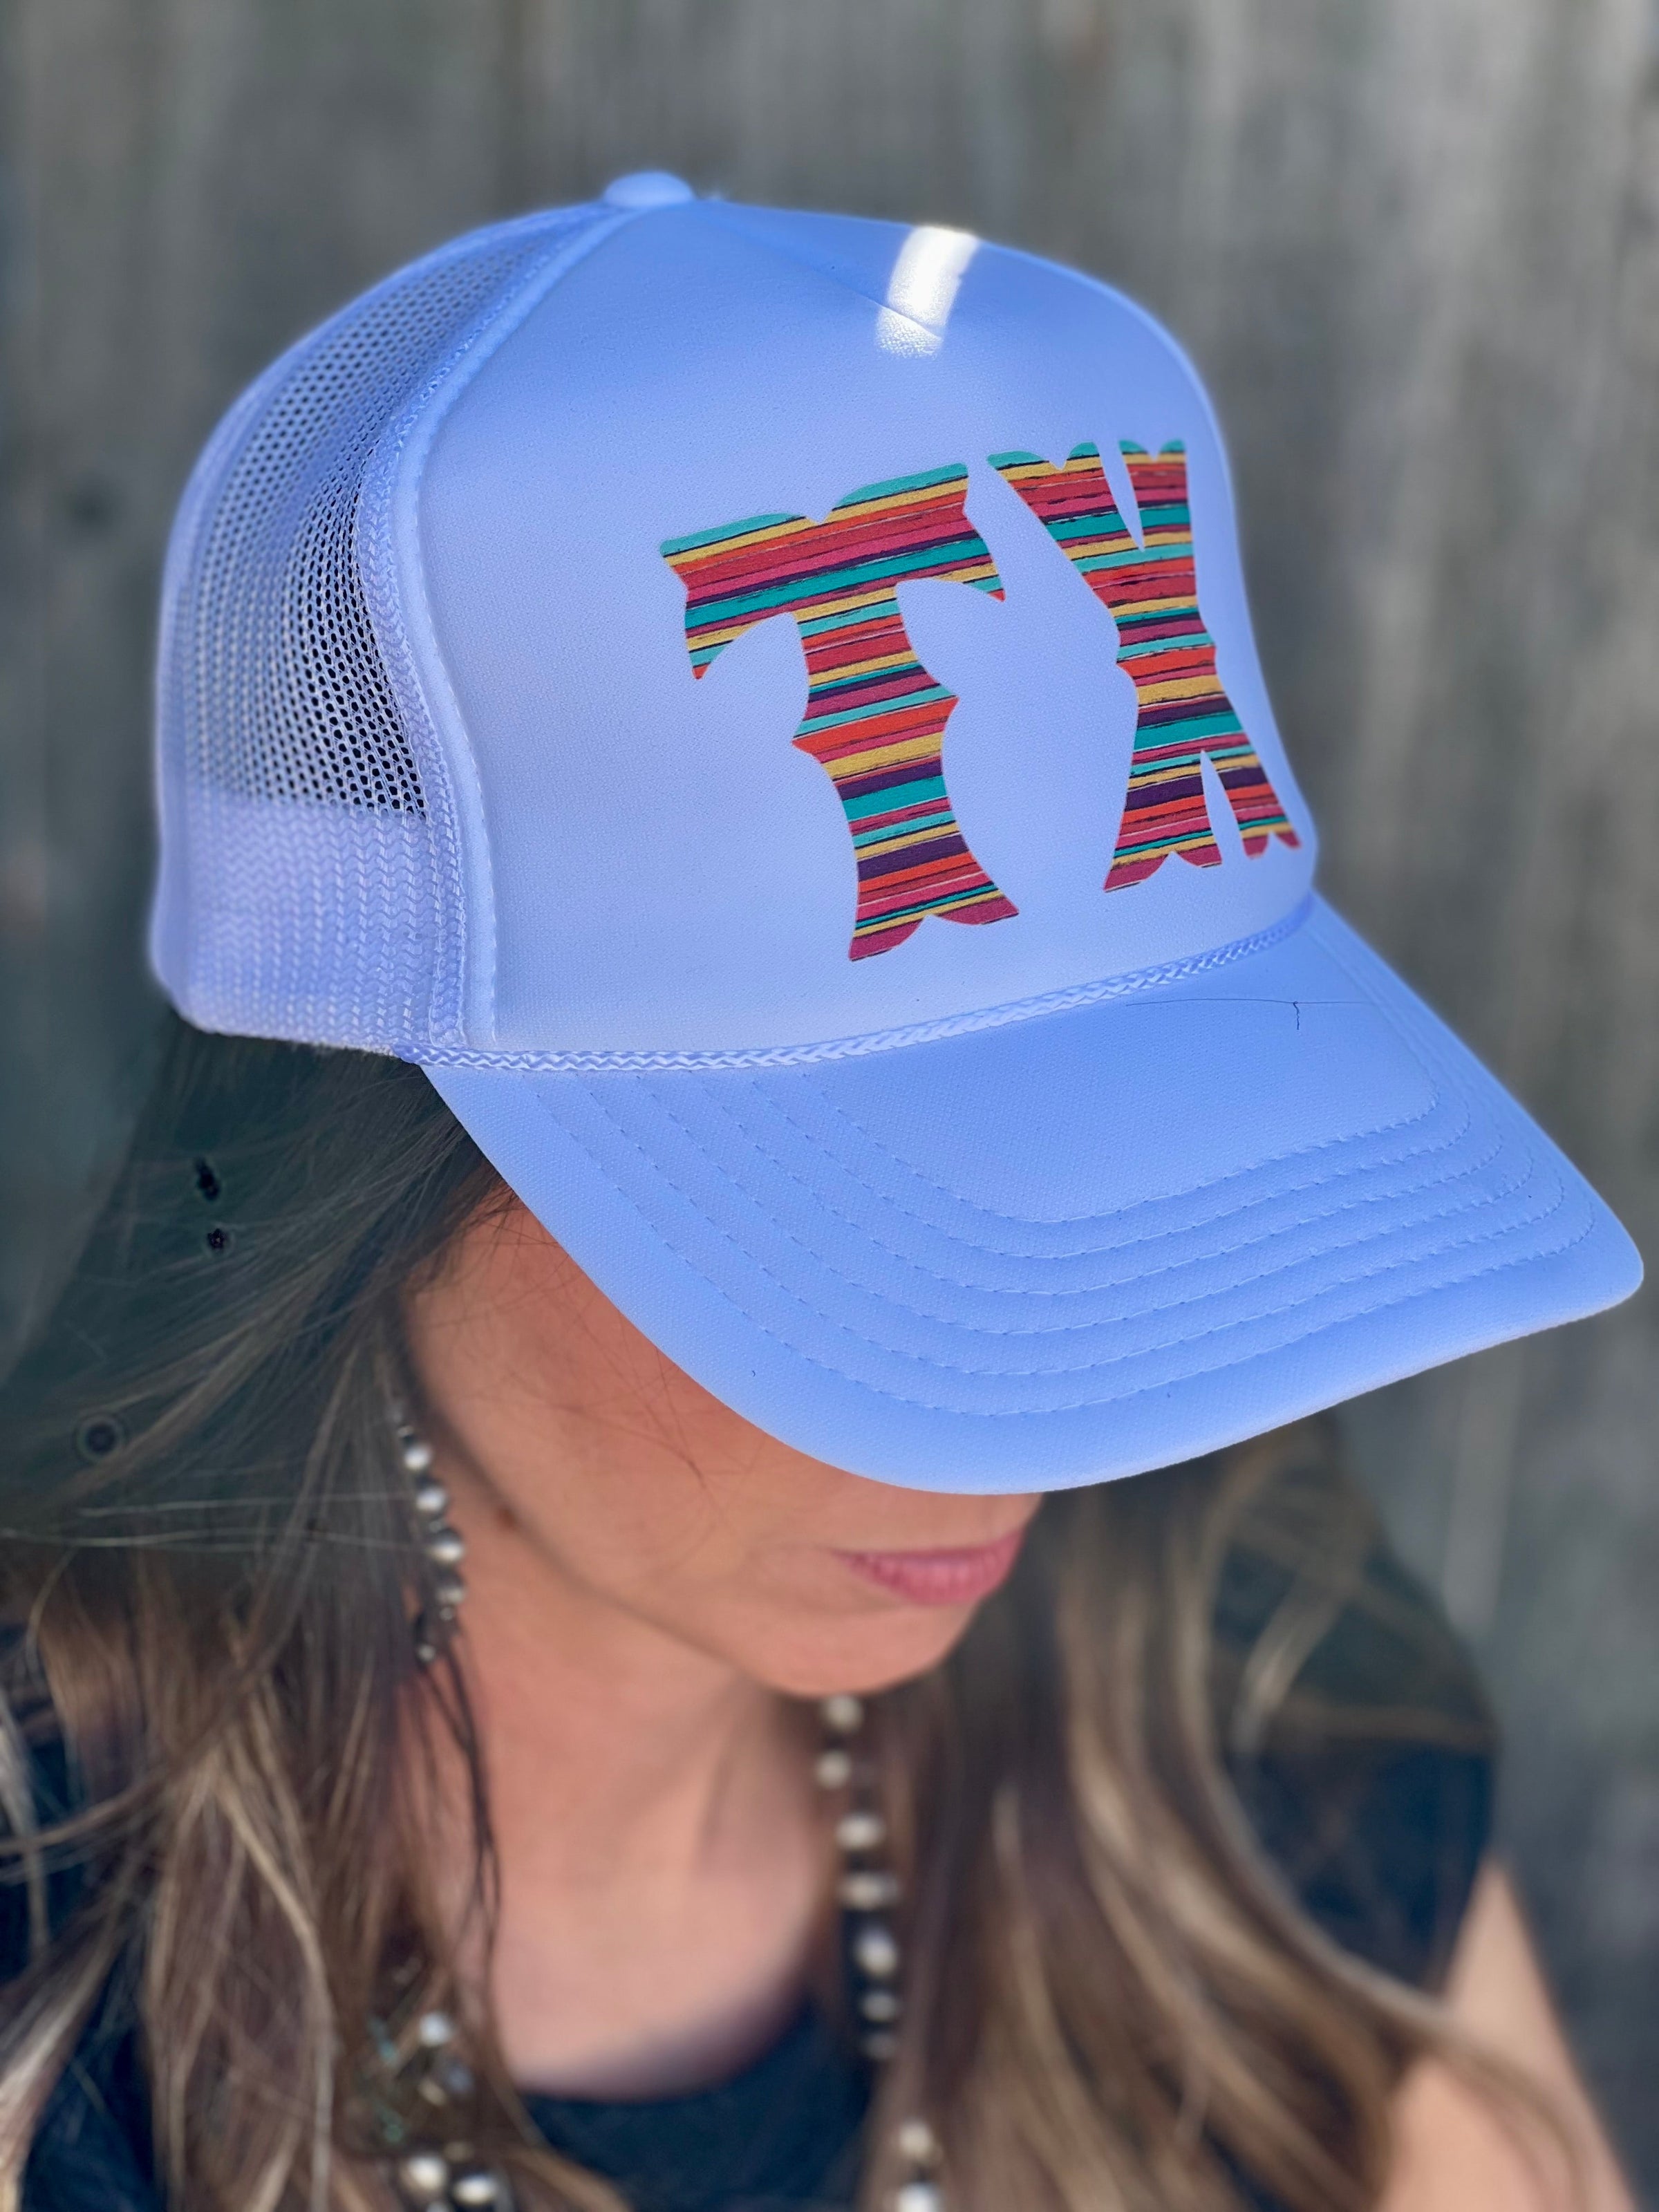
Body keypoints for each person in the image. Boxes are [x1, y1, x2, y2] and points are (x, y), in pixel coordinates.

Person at [0, 174, 1642, 2212]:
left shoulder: (1232, 1678)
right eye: (856, 1230)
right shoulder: (49, 1952)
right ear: (367, 1164)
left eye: (1144, 1155)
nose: (1049, 1411)